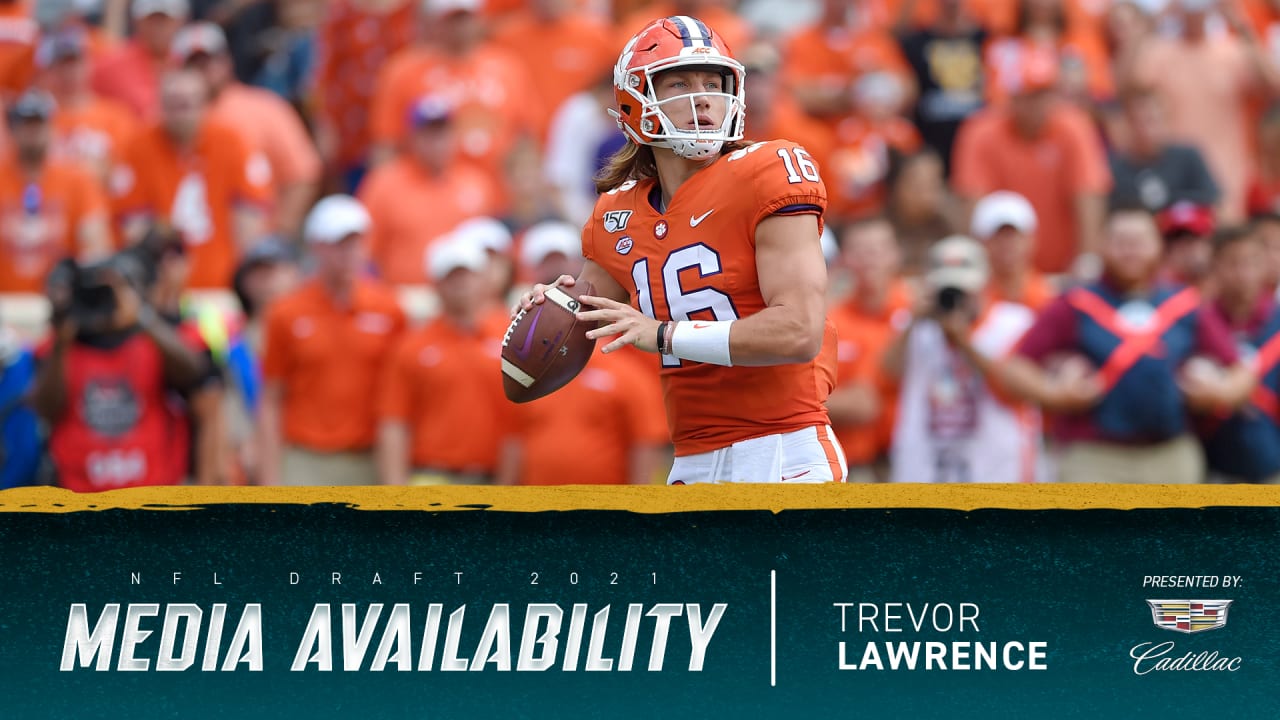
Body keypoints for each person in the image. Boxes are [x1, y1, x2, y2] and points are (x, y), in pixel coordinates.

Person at [515, 16, 846, 484]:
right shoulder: (618, 212)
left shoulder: (768, 171)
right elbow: (582, 315)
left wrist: (664, 334)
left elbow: (799, 331)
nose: (703, 96)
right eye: (680, 83)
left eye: (713, 82)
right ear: (636, 100)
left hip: (783, 448)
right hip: (691, 458)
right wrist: (545, 310)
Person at [1001, 206, 1254, 484]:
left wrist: (1217, 392)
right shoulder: (1076, 303)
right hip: (1094, 456)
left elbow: (1241, 372)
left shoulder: (1184, 305)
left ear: (1158, 245)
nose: (1130, 251)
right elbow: (1015, 367)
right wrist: (1053, 394)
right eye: (1121, 242)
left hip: (1170, 454)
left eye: (1140, 242)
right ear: (1102, 245)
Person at [28, 246, 207, 491]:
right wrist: (63, 336)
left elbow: (195, 372)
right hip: (79, 501)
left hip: (149, 500)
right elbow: (46, 409)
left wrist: (141, 317)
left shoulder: (151, 342)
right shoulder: (61, 347)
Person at [259, 195, 406, 486]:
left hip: (368, 459)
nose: (350, 252)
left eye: (356, 242)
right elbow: (271, 398)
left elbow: (398, 400)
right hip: (305, 460)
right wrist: (270, 477)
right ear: (317, 247)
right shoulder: (287, 313)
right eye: (339, 243)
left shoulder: (389, 310)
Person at [883, 235, 1043, 484]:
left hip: (997, 476)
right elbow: (888, 372)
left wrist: (964, 343)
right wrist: (915, 319)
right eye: (947, 289)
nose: (956, 298)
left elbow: (1016, 389)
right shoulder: (915, 326)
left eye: (963, 290)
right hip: (927, 475)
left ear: (984, 284)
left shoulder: (1015, 322)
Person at [110, 68, 273, 289]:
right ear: (161, 106)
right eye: (173, 104)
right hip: (163, 287)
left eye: (187, 104)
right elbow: (133, 225)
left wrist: (241, 280)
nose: (181, 113)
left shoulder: (232, 142)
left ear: (205, 104)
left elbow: (250, 219)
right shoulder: (138, 148)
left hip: (222, 283)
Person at [376, 231, 509, 485]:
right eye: (452, 276)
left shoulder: (509, 339)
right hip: (431, 478)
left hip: (490, 477)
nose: (461, 283)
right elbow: (394, 421)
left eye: (468, 274)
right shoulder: (412, 346)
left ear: (482, 279)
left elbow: (516, 424)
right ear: (436, 284)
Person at [0, 89, 111, 294]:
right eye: (26, 125)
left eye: (38, 124)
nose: (32, 132)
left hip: (58, 305)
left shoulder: (77, 180)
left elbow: (96, 247)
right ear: (13, 130)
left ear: (52, 128)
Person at [1198, 225, 1280, 483]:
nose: (1243, 273)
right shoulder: (1196, 321)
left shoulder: (1276, 321)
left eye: (1251, 262)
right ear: (1215, 268)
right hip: (1213, 465)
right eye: (1232, 263)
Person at [970, 190, 1056, 311]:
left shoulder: (1050, 298)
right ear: (981, 243)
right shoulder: (972, 303)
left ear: (1031, 240)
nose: (1006, 244)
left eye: (1012, 236)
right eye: (997, 237)